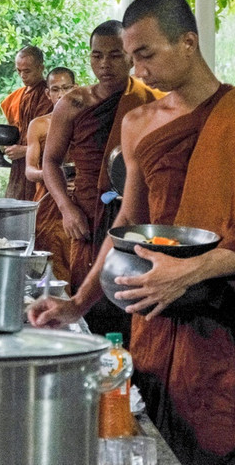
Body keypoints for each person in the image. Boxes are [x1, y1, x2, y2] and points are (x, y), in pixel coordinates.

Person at [29, 0, 235, 464]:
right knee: (162, 438)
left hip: (231, 329)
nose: (137, 71)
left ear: (189, 43)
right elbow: (128, 225)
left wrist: (192, 271)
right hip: (158, 325)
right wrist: (77, 303)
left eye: (145, 54)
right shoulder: (139, 124)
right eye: (131, 57)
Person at [42, 20, 163, 335]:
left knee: (131, 293)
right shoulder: (73, 103)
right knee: (90, 299)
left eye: (114, 55)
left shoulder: (151, 100)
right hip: (86, 213)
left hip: (137, 212)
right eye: (97, 56)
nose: (105, 64)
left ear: (130, 56)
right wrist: (67, 209)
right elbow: (50, 161)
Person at [24, 66, 76, 283]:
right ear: (48, 93)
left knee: (78, 261)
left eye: (66, 88)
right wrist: (54, 176)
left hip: (79, 201)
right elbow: (29, 170)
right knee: (51, 265)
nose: (61, 94)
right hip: (48, 205)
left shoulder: (87, 123)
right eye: (55, 89)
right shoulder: (39, 125)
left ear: (76, 89)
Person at [0, 45, 53, 201]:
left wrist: (24, 150)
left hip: (39, 165)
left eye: (27, 71)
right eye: (19, 71)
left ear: (41, 67)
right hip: (19, 166)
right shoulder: (19, 96)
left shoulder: (48, 95)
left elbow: (53, 137)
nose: (22, 75)